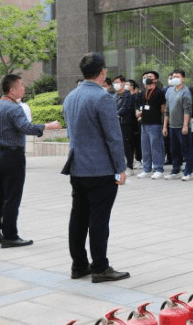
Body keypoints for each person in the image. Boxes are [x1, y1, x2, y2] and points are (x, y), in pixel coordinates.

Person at [62, 53, 129, 283]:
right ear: (103, 72)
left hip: (77, 166)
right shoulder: (103, 97)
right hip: (100, 169)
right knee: (99, 220)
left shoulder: (71, 96)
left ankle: (79, 265)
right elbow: (113, 137)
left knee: (78, 218)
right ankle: (100, 267)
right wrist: (120, 167)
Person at [0, 74, 60, 248]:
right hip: (12, 156)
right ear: (12, 90)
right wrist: (47, 126)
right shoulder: (15, 108)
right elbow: (26, 127)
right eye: (21, 85)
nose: (24, 88)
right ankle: (10, 236)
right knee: (12, 197)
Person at [163, 69, 193, 181]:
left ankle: (188, 172)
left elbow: (187, 110)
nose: (175, 78)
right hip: (172, 126)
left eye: (177, 76)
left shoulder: (186, 92)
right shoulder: (169, 91)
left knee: (186, 149)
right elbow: (167, 110)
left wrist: (185, 126)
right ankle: (175, 171)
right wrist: (165, 126)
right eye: (173, 76)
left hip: (182, 126)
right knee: (174, 150)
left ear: (183, 79)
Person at [136, 71, 166, 179]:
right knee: (145, 147)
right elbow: (138, 105)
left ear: (155, 80)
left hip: (155, 123)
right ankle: (146, 169)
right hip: (144, 123)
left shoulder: (159, 92)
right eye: (146, 77)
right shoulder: (142, 92)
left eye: (150, 77)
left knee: (156, 146)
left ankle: (158, 169)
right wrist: (138, 112)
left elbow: (163, 108)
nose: (147, 78)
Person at [112, 75, 136, 174]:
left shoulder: (128, 96)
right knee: (118, 146)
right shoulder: (115, 96)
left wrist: (115, 114)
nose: (116, 85)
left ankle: (129, 167)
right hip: (116, 124)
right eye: (115, 83)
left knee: (127, 146)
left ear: (123, 83)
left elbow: (125, 109)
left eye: (118, 82)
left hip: (126, 124)